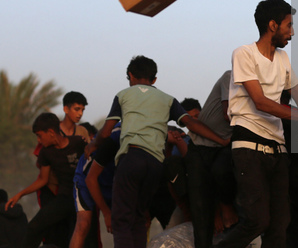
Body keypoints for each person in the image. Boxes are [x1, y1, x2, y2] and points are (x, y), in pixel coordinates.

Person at [214, 0, 298, 248]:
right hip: (249, 149)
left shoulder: (283, 59)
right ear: (272, 25)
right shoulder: (244, 54)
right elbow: (261, 102)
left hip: (278, 152)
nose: (292, 32)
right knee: (257, 221)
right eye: (288, 26)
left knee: (280, 225)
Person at [85, 55, 229, 248]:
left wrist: (93, 145)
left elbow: (106, 131)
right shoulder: (167, 99)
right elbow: (191, 123)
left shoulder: (123, 95)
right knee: (138, 218)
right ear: (154, 80)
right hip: (154, 165)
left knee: (122, 221)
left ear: (130, 76)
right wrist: (221, 139)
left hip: (132, 158)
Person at [5, 112, 86, 248]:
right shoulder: (46, 153)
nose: (38, 140)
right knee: (34, 227)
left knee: (82, 236)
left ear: (51, 132)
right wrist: (20, 194)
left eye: (39, 135)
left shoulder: (78, 142)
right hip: (64, 197)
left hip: (83, 197)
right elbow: (43, 179)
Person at [183, 70, 238, 247]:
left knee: (222, 173)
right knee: (200, 209)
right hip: (201, 147)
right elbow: (228, 113)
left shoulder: (261, 91)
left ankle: (226, 204)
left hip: (227, 145)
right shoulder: (231, 76)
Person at [70, 123, 122, 248]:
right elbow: (90, 180)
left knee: (122, 225)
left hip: (113, 183)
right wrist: (106, 213)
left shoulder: (148, 133)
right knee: (83, 224)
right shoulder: (117, 132)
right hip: (86, 178)